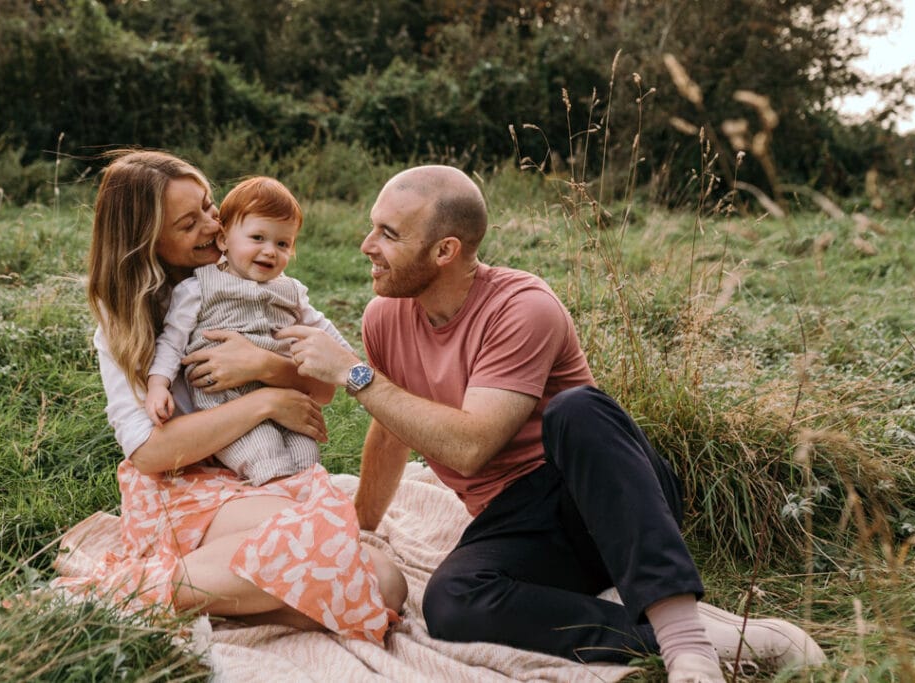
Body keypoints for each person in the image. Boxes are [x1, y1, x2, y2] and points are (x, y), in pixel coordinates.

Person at [276, 165, 826, 681]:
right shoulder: (385, 317)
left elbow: (470, 446)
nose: (367, 245)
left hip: (602, 497)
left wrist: (354, 375)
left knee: (578, 408)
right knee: (450, 602)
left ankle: (688, 647)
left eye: (388, 233)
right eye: (373, 227)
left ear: (445, 250)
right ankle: (723, 643)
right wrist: (361, 527)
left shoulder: (522, 306)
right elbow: (393, 423)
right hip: (517, 523)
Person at [52, 150, 406, 644]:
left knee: (388, 585)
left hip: (253, 480)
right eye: (187, 222)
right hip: (183, 490)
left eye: (209, 206)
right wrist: (265, 402)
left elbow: (323, 388)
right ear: (146, 240)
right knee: (362, 575)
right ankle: (124, 589)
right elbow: (151, 452)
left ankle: (207, 599)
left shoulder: (254, 282)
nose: (211, 223)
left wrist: (262, 366)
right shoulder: (126, 325)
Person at [145, 176, 347, 485]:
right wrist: (158, 384)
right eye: (257, 238)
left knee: (307, 454)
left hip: (285, 394)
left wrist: (353, 362)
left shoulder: (291, 290)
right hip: (227, 400)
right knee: (265, 454)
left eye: (283, 244)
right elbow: (172, 341)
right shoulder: (199, 286)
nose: (270, 251)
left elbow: (322, 327)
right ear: (224, 240)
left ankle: (308, 508)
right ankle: (281, 509)